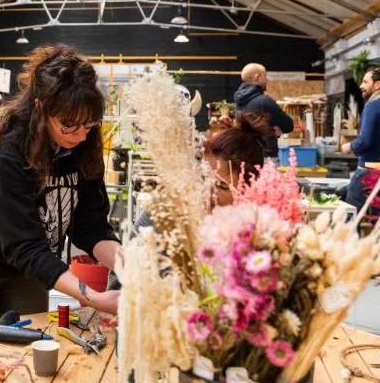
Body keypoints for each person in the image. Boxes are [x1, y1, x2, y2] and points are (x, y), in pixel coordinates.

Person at [0, 45, 122, 325]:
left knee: (29, 347)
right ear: (41, 108)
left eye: (89, 124)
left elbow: (92, 225)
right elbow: (23, 244)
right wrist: (92, 298)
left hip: (31, 264)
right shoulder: (5, 150)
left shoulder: (84, 142)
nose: (81, 135)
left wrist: (127, 266)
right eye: (69, 124)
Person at [107, 113, 270, 289]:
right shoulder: (163, 213)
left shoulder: (255, 233)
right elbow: (118, 283)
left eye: (221, 186)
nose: (207, 189)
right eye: (203, 177)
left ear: (247, 190)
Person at [233, 63, 294, 160]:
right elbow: (288, 126)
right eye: (265, 76)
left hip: (245, 157)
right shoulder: (265, 101)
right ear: (257, 78)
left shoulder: (238, 103)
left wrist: (270, 130)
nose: (267, 80)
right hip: (266, 157)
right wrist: (274, 130)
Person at [341, 67, 380, 215]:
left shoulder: (373, 105)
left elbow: (365, 140)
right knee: (376, 222)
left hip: (367, 171)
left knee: (350, 216)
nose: (361, 86)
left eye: (365, 82)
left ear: (377, 85)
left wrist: (349, 145)